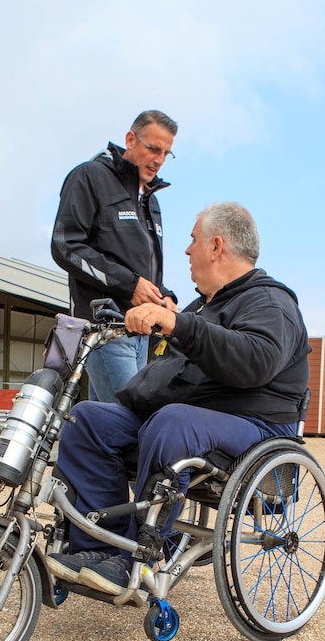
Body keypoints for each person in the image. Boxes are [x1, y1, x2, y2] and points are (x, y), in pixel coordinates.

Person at [45, 201, 311, 597]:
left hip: (255, 425)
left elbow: (254, 361)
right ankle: (99, 548)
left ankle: (137, 556)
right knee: (87, 419)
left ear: (216, 246)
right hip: (195, 416)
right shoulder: (205, 306)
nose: (187, 250)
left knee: (173, 422)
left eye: (193, 240)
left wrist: (178, 323)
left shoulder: (270, 302)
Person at [50, 110, 179, 403]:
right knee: (130, 416)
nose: (159, 160)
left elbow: (139, 266)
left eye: (166, 153)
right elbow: (65, 246)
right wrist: (129, 285)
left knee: (104, 422)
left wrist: (163, 295)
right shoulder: (90, 177)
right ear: (131, 139)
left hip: (141, 332)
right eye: (153, 149)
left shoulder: (150, 201)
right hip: (107, 327)